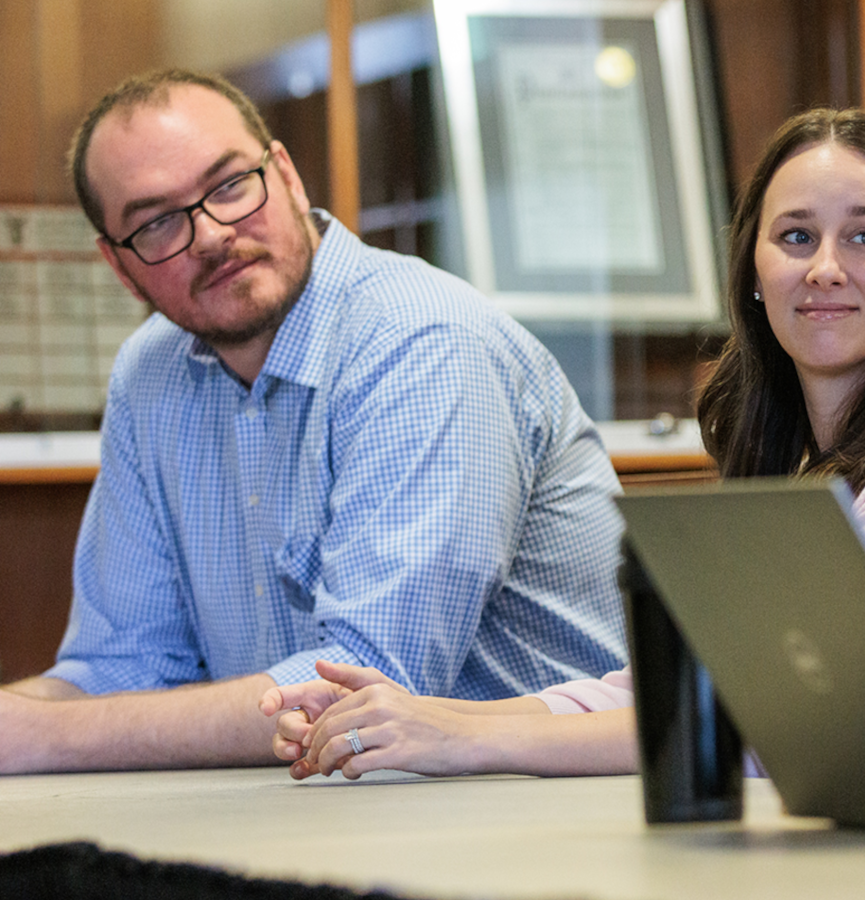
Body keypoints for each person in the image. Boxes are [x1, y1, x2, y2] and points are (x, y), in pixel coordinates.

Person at [263, 107, 865, 780]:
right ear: (754, 275)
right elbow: (662, 694)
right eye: (796, 237)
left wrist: (463, 740)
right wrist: (420, 716)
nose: (825, 267)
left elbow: (766, 731)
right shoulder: (791, 473)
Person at [0, 69, 627, 774]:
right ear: (119, 267)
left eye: (231, 184)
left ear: (289, 177)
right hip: (318, 806)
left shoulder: (423, 341)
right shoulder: (150, 373)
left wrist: (41, 737)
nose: (210, 234)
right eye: (157, 223)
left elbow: (365, 684)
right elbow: (120, 668)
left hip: (542, 813)